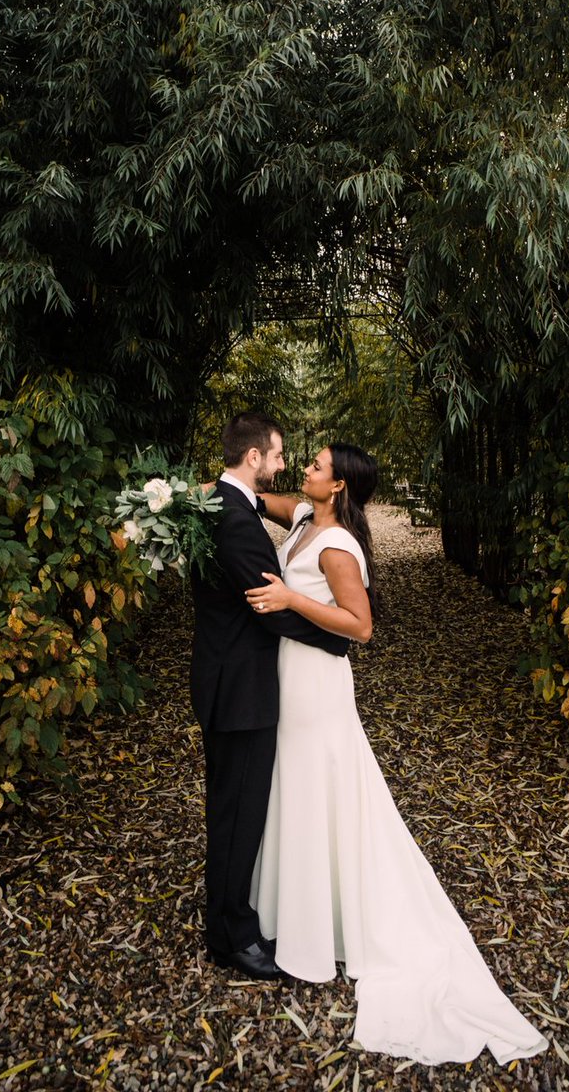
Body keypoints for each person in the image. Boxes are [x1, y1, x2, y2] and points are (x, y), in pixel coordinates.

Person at [244, 443, 548, 1065]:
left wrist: (288, 599)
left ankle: (324, 928)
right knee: (298, 788)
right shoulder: (306, 518)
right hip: (291, 677)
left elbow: (360, 626)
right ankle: (299, 910)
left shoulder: (336, 548)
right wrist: (217, 491)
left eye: (319, 466)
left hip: (316, 685)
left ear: (340, 488)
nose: (307, 467)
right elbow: (259, 498)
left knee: (315, 785)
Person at [190, 412, 350, 981]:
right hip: (241, 691)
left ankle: (229, 914)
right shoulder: (232, 518)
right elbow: (268, 603)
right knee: (237, 813)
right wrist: (334, 641)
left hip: (227, 679)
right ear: (253, 457)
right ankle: (230, 935)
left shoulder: (220, 504)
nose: (284, 465)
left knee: (234, 807)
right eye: (279, 455)